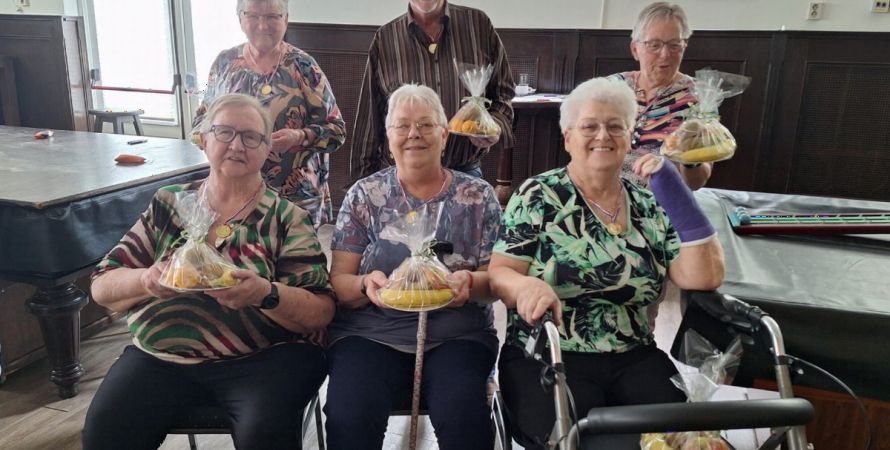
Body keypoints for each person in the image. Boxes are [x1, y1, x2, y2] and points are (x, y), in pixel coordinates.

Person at [83, 94, 335, 450]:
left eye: (251, 137)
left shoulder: (287, 217)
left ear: (267, 151)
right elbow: (102, 286)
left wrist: (266, 293)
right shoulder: (168, 203)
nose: (236, 144)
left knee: (264, 435)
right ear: (204, 139)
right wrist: (147, 280)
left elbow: (321, 311)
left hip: (264, 360)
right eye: (225, 132)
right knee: (105, 432)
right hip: (161, 358)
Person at [489, 78, 725, 449]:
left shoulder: (647, 202)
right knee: (593, 444)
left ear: (630, 136)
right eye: (590, 126)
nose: (604, 135)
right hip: (547, 355)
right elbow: (500, 273)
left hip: (633, 355)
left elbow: (704, 276)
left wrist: (677, 194)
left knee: (685, 440)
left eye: (616, 126)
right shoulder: (538, 195)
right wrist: (526, 286)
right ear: (567, 137)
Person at [326, 84, 502, 450]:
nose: (413, 135)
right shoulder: (364, 195)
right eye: (402, 125)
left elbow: (496, 281)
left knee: (463, 418)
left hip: (457, 335)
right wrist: (364, 285)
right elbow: (339, 282)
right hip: (370, 333)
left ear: (444, 133)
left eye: (425, 125)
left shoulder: (478, 197)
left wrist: (469, 282)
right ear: (387, 135)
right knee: (349, 416)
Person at [193, 0, 346, 227]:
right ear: (240, 19)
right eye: (253, 16)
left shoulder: (304, 67)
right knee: (234, 260)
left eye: (272, 16)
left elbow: (337, 131)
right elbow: (200, 124)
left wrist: (299, 137)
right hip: (233, 194)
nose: (262, 25)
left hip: (294, 198)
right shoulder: (224, 64)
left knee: (297, 261)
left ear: (286, 19)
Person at [350, 0, 515, 181]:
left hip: (464, 175)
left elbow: (503, 93)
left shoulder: (478, 26)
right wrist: (362, 185)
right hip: (402, 178)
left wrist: (492, 125)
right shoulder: (386, 39)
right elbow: (369, 120)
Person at [609, 2, 711, 189]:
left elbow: (697, 182)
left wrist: (690, 159)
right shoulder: (611, 87)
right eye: (654, 45)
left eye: (674, 45)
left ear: (684, 47)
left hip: (659, 202)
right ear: (635, 49)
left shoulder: (700, 97)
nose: (665, 55)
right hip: (603, 194)